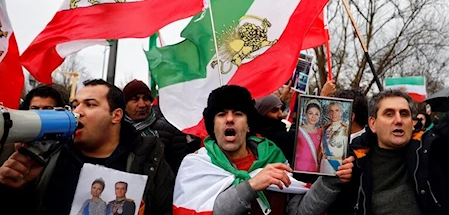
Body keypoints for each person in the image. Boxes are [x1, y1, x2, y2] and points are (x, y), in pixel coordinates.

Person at [328, 13, 449, 215]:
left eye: (404, 114)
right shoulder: (351, 163)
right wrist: (333, 180)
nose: (398, 119)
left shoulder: (431, 150)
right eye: (389, 114)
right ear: (372, 123)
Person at [0, 79, 174, 215]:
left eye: (90, 104)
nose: (77, 112)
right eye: (75, 105)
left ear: (116, 115)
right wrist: (12, 188)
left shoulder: (149, 159)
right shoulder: (48, 155)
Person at [173, 85, 354, 215]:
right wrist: (251, 185)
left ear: (248, 124)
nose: (229, 119)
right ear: (213, 125)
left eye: (238, 114)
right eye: (221, 114)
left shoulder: (274, 158)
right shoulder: (196, 165)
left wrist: (330, 181)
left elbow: (299, 211)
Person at [122, 79, 195, 172]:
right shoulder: (115, 130)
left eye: (146, 99)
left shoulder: (171, 130)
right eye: (135, 99)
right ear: (124, 105)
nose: (142, 104)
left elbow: (180, 167)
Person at [254, 94, 295, 161]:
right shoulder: (269, 134)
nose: (280, 114)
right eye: (274, 110)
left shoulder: (276, 128)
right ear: (263, 112)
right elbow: (289, 139)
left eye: (281, 109)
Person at [320, 102, 348, 174]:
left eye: (337, 110)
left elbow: (346, 151)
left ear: (341, 112)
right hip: (323, 164)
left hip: (336, 165)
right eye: (331, 111)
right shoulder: (325, 128)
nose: (334, 113)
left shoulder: (345, 129)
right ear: (329, 113)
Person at [294, 99, 322, 173]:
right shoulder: (298, 130)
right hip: (298, 168)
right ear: (306, 114)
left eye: (316, 114)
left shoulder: (321, 132)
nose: (313, 117)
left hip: (314, 170)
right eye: (310, 113)